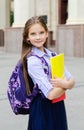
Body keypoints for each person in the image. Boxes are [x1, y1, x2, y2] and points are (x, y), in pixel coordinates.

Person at [21, 16, 75, 130]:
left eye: (41, 32)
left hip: (58, 105)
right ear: (27, 38)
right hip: (42, 108)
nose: (38, 37)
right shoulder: (33, 61)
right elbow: (50, 94)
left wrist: (65, 84)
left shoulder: (53, 55)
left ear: (47, 33)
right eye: (33, 34)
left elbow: (72, 80)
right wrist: (65, 84)